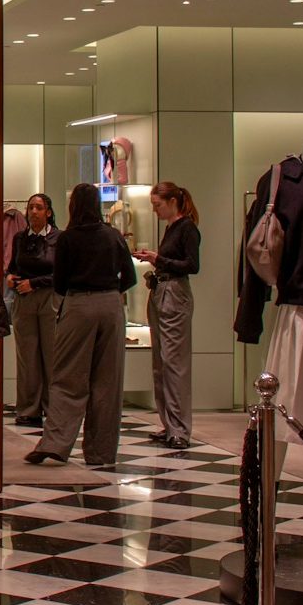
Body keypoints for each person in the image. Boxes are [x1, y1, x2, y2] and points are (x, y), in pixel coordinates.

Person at [26, 182, 137, 467]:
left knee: (67, 376)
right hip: (111, 306)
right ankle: (101, 452)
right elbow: (130, 276)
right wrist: (110, 292)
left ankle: (55, 442)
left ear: (73, 205)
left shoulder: (69, 238)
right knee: (108, 382)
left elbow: (60, 281)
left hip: (79, 305)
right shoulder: (113, 236)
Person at [134, 181, 200, 450]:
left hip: (174, 293)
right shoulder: (172, 227)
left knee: (174, 363)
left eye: (157, 205)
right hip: (162, 291)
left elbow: (192, 265)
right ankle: (170, 424)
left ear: (173, 201)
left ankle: (180, 429)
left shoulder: (187, 228)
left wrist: (158, 259)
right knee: (161, 363)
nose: (155, 210)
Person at [7, 193, 58, 428]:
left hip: (49, 298)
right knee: (27, 356)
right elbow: (13, 266)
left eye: (39, 207)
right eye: (30, 207)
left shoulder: (58, 238)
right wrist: (10, 277)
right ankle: (29, 409)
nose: (34, 212)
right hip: (24, 299)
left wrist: (35, 283)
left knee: (51, 353)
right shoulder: (20, 238)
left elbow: (62, 273)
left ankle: (53, 406)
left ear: (48, 212)